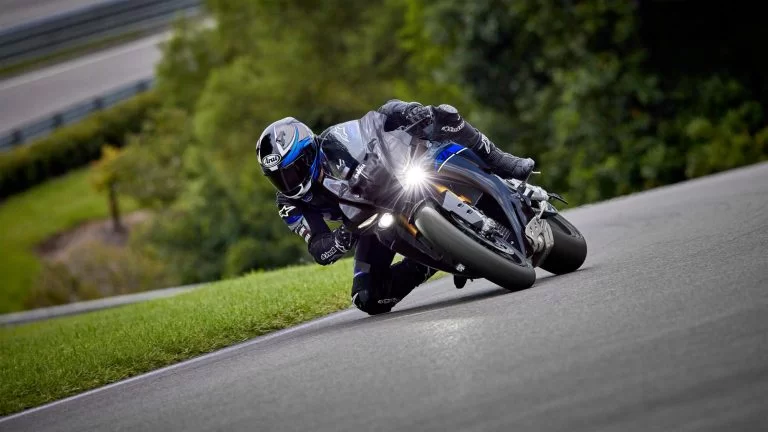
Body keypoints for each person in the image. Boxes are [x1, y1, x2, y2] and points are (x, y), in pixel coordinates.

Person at [256, 100, 535, 315]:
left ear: (309, 151)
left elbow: (378, 119)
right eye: (279, 178)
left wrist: (406, 111)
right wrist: (339, 240)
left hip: (400, 176)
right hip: (370, 223)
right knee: (367, 298)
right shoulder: (290, 204)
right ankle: (430, 261)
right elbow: (318, 246)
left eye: (294, 170)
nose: (289, 181)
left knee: (444, 114)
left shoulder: (334, 141)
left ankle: (502, 164)